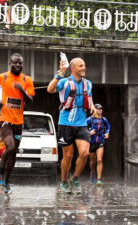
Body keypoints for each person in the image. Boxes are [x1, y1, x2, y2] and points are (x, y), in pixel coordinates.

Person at [0, 53, 35, 193]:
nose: (18, 65)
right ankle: (0, 171)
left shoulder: (27, 80)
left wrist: (22, 91)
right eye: (15, 63)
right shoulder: (1, 77)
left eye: (20, 63)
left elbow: (31, 101)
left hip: (18, 122)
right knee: (10, 146)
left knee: (13, 154)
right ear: (10, 63)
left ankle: (7, 182)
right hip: (4, 120)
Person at [47, 57, 95, 194]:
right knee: (68, 156)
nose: (84, 68)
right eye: (81, 66)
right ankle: (63, 181)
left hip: (82, 124)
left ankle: (74, 178)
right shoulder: (64, 82)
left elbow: (89, 98)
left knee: (85, 153)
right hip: (65, 124)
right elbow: (50, 90)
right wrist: (59, 73)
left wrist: (92, 106)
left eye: (84, 65)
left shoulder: (88, 84)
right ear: (73, 68)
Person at [87, 104, 110, 186]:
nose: (100, 110)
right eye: (98, 109)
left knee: (99, 159)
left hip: (100, 141)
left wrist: (107, 133)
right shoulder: (90, 119)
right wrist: (89, 133)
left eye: (101, 109)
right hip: (91, 142)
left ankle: (99, 179)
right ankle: (92, 172)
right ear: (95, 110)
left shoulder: (104, 119)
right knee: (92, 161)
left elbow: (108, 127)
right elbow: (82, 128)